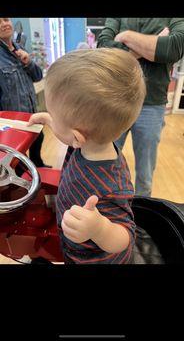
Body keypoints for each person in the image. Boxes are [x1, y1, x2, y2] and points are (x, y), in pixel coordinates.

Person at [28, 48, 146, 264]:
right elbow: (69, 136)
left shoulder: (110, 184)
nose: (52, 120)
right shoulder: (87, 144)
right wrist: (50, 120)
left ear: (77, 136)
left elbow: (126, 237)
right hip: (73, 243)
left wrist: (100, 228)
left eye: (55, 115)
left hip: (94, 259)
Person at [97, 18, 184, 196]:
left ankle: (142, 211)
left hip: (152, 103)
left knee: (145, 171)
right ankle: (107, 204)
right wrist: (153, 45)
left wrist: (126, 37)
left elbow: (173, 48)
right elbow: (103, 47)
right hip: (115, 101)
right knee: (104, 160)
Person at [0, 17, 50, 167]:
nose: (4, 24)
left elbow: (38, 76)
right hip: (12, 119)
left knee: (38, 138)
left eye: (6, 19)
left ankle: (38, 166)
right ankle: (25, 180)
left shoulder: (19, 48)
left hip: (31, 112)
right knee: (18, 155)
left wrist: (28, 63)